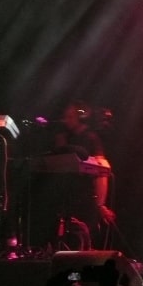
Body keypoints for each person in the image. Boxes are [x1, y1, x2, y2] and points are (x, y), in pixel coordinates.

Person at [52, 100, 115, 250]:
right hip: (67, 198)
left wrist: (100, 204)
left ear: (81, 118)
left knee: (86, 239)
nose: (66, 120)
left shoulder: (91, 138)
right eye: (65, 117)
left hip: (86, 199)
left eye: (70, 117)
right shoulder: (64, 137)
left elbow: (102, 170)